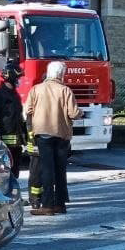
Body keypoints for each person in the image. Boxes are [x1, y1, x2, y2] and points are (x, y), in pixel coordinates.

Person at [23, 60, 82, 215]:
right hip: (62, 135)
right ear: (61, 74)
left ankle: (47, 205)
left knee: (47, 170)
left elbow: (27, 110)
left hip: (43, 135)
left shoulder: (36, 90)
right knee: (60, 170)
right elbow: (74, 113)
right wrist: (81, 113)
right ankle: (60, 204)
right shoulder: (66, 91)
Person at [0, 60, 27, 180]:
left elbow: (18, 117)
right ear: (12, 77)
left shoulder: (15, 95)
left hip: (16, 145)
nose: (20, 80)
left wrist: (25, 135)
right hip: (5, 145)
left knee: (14, 175)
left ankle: (14, 197)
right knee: (3, 176)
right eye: (18, 77)